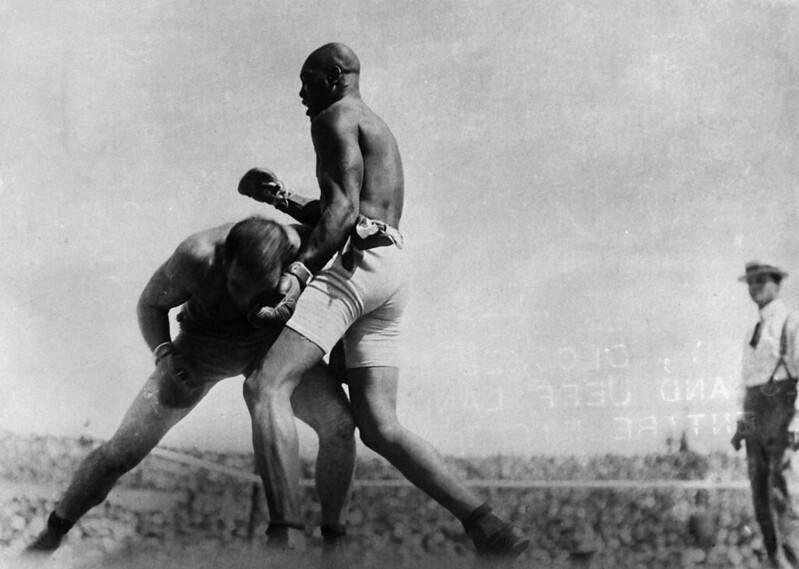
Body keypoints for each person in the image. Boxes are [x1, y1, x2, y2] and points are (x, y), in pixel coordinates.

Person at [238, 42, 529, 559]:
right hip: (391, 268)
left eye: (307, 80)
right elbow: (350, 207)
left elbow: (344, 212)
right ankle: (487, 527)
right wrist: (281, 198)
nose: (300, 93)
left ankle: (284, 538)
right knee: (380, 426)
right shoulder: (375, 125)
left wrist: (301, 270)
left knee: (266, 385)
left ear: (333, 77)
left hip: (356, 266)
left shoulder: (332, 118)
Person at [24, 216, 356, 554]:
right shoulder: (197, 256)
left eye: (259, 290)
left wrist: (342, 346)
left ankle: (335, 544)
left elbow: (345, 263)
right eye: (237, 287)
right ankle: (54, 530)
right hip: (203, 347)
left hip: (273, 344)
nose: (245, 301)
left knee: (340, 425)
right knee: (122, 452)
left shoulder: (302, 245)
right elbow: (150, 304)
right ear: (225, 259)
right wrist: (165, 356)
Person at [732, 260, 799, 568]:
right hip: (756, 412)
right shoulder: (752, 330)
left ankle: (794, 560)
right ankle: (776, 561)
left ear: (777, 284)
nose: (755, 287)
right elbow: (746, 380)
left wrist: (797, 421)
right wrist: (742, 422)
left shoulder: (791, 322)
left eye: (762, 280)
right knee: (759, 493)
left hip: (781, 409)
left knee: (780, 491)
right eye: (751, 282)